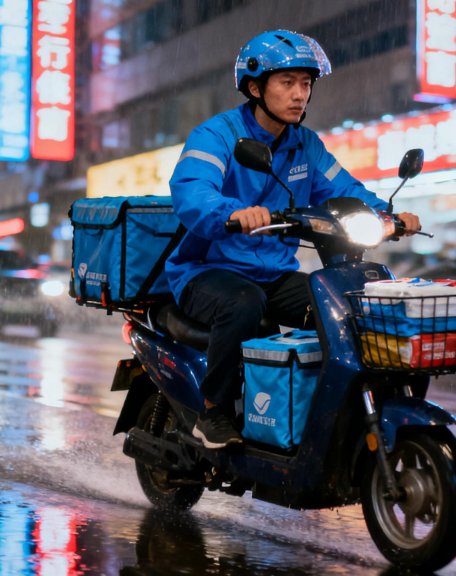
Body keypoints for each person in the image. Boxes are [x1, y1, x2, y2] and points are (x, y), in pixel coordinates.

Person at [166, 30, 421, 449]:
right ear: (254, 87)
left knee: (342, 309)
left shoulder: (306, 145)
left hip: (273, 270)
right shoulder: (215, 136)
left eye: (306, 83)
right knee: (244, 303)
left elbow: (346, 190)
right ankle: (212, 411)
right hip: (207, 269)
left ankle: (316, 416)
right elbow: (193, 191)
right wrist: (230, 213)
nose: (299, 94)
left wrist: (388, 216)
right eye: (287, 83)